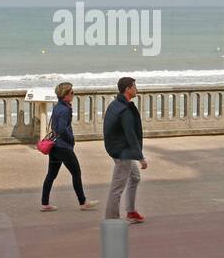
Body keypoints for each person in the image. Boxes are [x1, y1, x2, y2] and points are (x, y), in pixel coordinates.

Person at [41, 82, 98, 211]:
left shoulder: (58, 106)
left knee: (51, 175)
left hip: (54, 146)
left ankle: (45, 203)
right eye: (72, 92)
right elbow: (62, 128)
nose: (73, 94)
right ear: (65, 95)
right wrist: (71, 139)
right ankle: (83, 202)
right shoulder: (65, 109)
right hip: (63, 147)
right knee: (76, 173)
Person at [102, 76, 147, 222]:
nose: (136, 89)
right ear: (128, 89)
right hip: (122, 152)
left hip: (118, 148)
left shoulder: (115, 104)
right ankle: (112, 219)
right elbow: (131, 134)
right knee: (117, 187)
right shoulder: (124, 110)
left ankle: (131, 212)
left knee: (135, 177)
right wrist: (141, 157)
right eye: (134, 86)